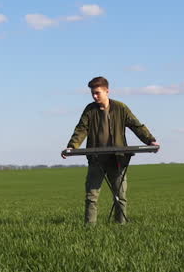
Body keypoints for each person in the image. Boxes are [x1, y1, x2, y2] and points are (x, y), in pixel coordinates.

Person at [61, 76, 159, 225]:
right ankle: (90, 228)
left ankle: (120, 226)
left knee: (120, 195)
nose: (95, 96)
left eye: (97, 93)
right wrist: (71, 147)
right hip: (96, 159)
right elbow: (81, 129)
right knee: (91, 196)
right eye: (92, 93)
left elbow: (136, 126)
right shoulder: (90, 110)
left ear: (107, 91)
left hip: (118, 158)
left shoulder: (121, 108)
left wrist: (150, 140)